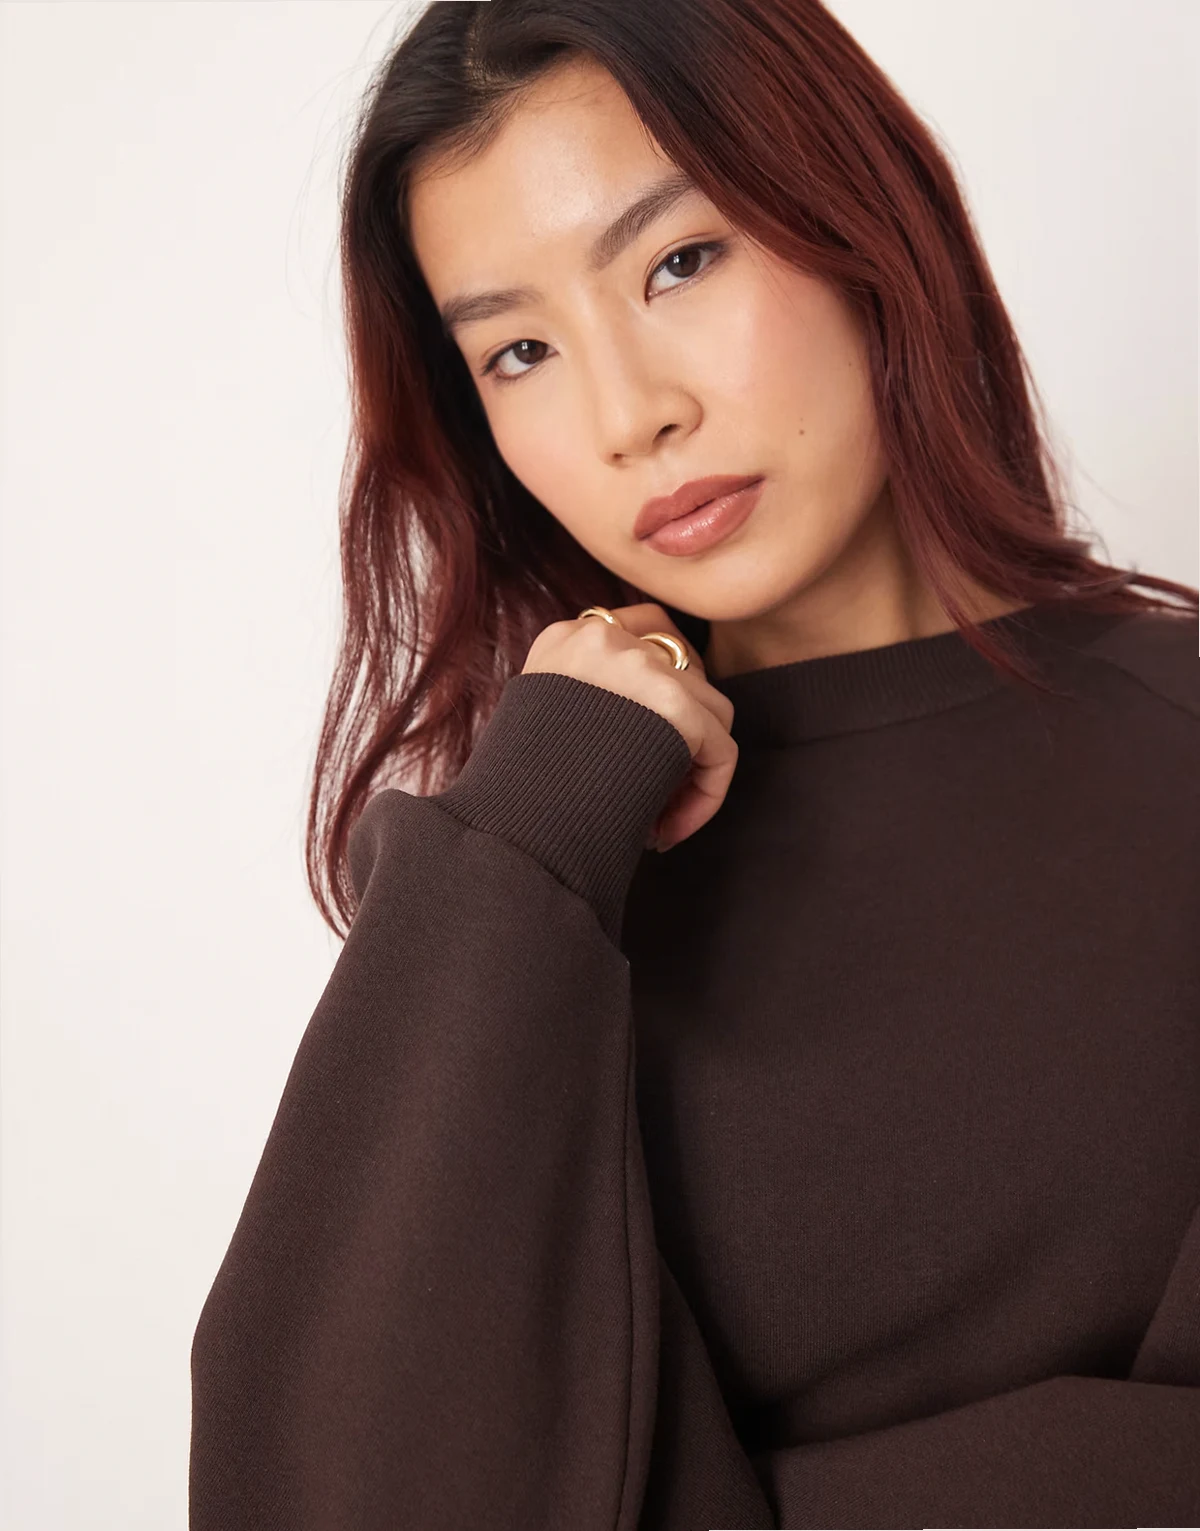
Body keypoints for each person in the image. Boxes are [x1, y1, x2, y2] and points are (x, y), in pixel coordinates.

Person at [188, 1, 1200, 1526]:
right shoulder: (533, 880)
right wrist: (545, 814)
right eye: (520, 350)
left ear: (861, 220)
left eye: (678, 262)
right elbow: (319, 1493)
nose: (630, 413)